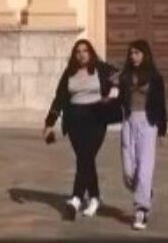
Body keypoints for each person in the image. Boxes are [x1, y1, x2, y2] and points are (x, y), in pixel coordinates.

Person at [43, 39, 117, 220]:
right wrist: (49, 123)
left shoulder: (102, 68)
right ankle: (94, 198)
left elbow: (121, 77)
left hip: (96, 118)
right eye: (78, 51)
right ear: (74, 55)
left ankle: (76, 198)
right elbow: (59, 97)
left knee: (86, 157)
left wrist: (114, 92)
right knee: (86, 159)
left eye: (85, 51)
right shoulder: (69, 72)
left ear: (91, 53)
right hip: (75, 120)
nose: (82, 54)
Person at [117, 40, 168, 231]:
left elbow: (161, 105)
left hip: (148, 123)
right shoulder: (124, 76)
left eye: (137, 53)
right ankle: (145, 191)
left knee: (145, 166)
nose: (133, 56)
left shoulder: (155, 78)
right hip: (129, 122)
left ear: (145, 54)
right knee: (129, 171)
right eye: (131, 53)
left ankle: (141, 210)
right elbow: (119, 101)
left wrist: (162, 129)